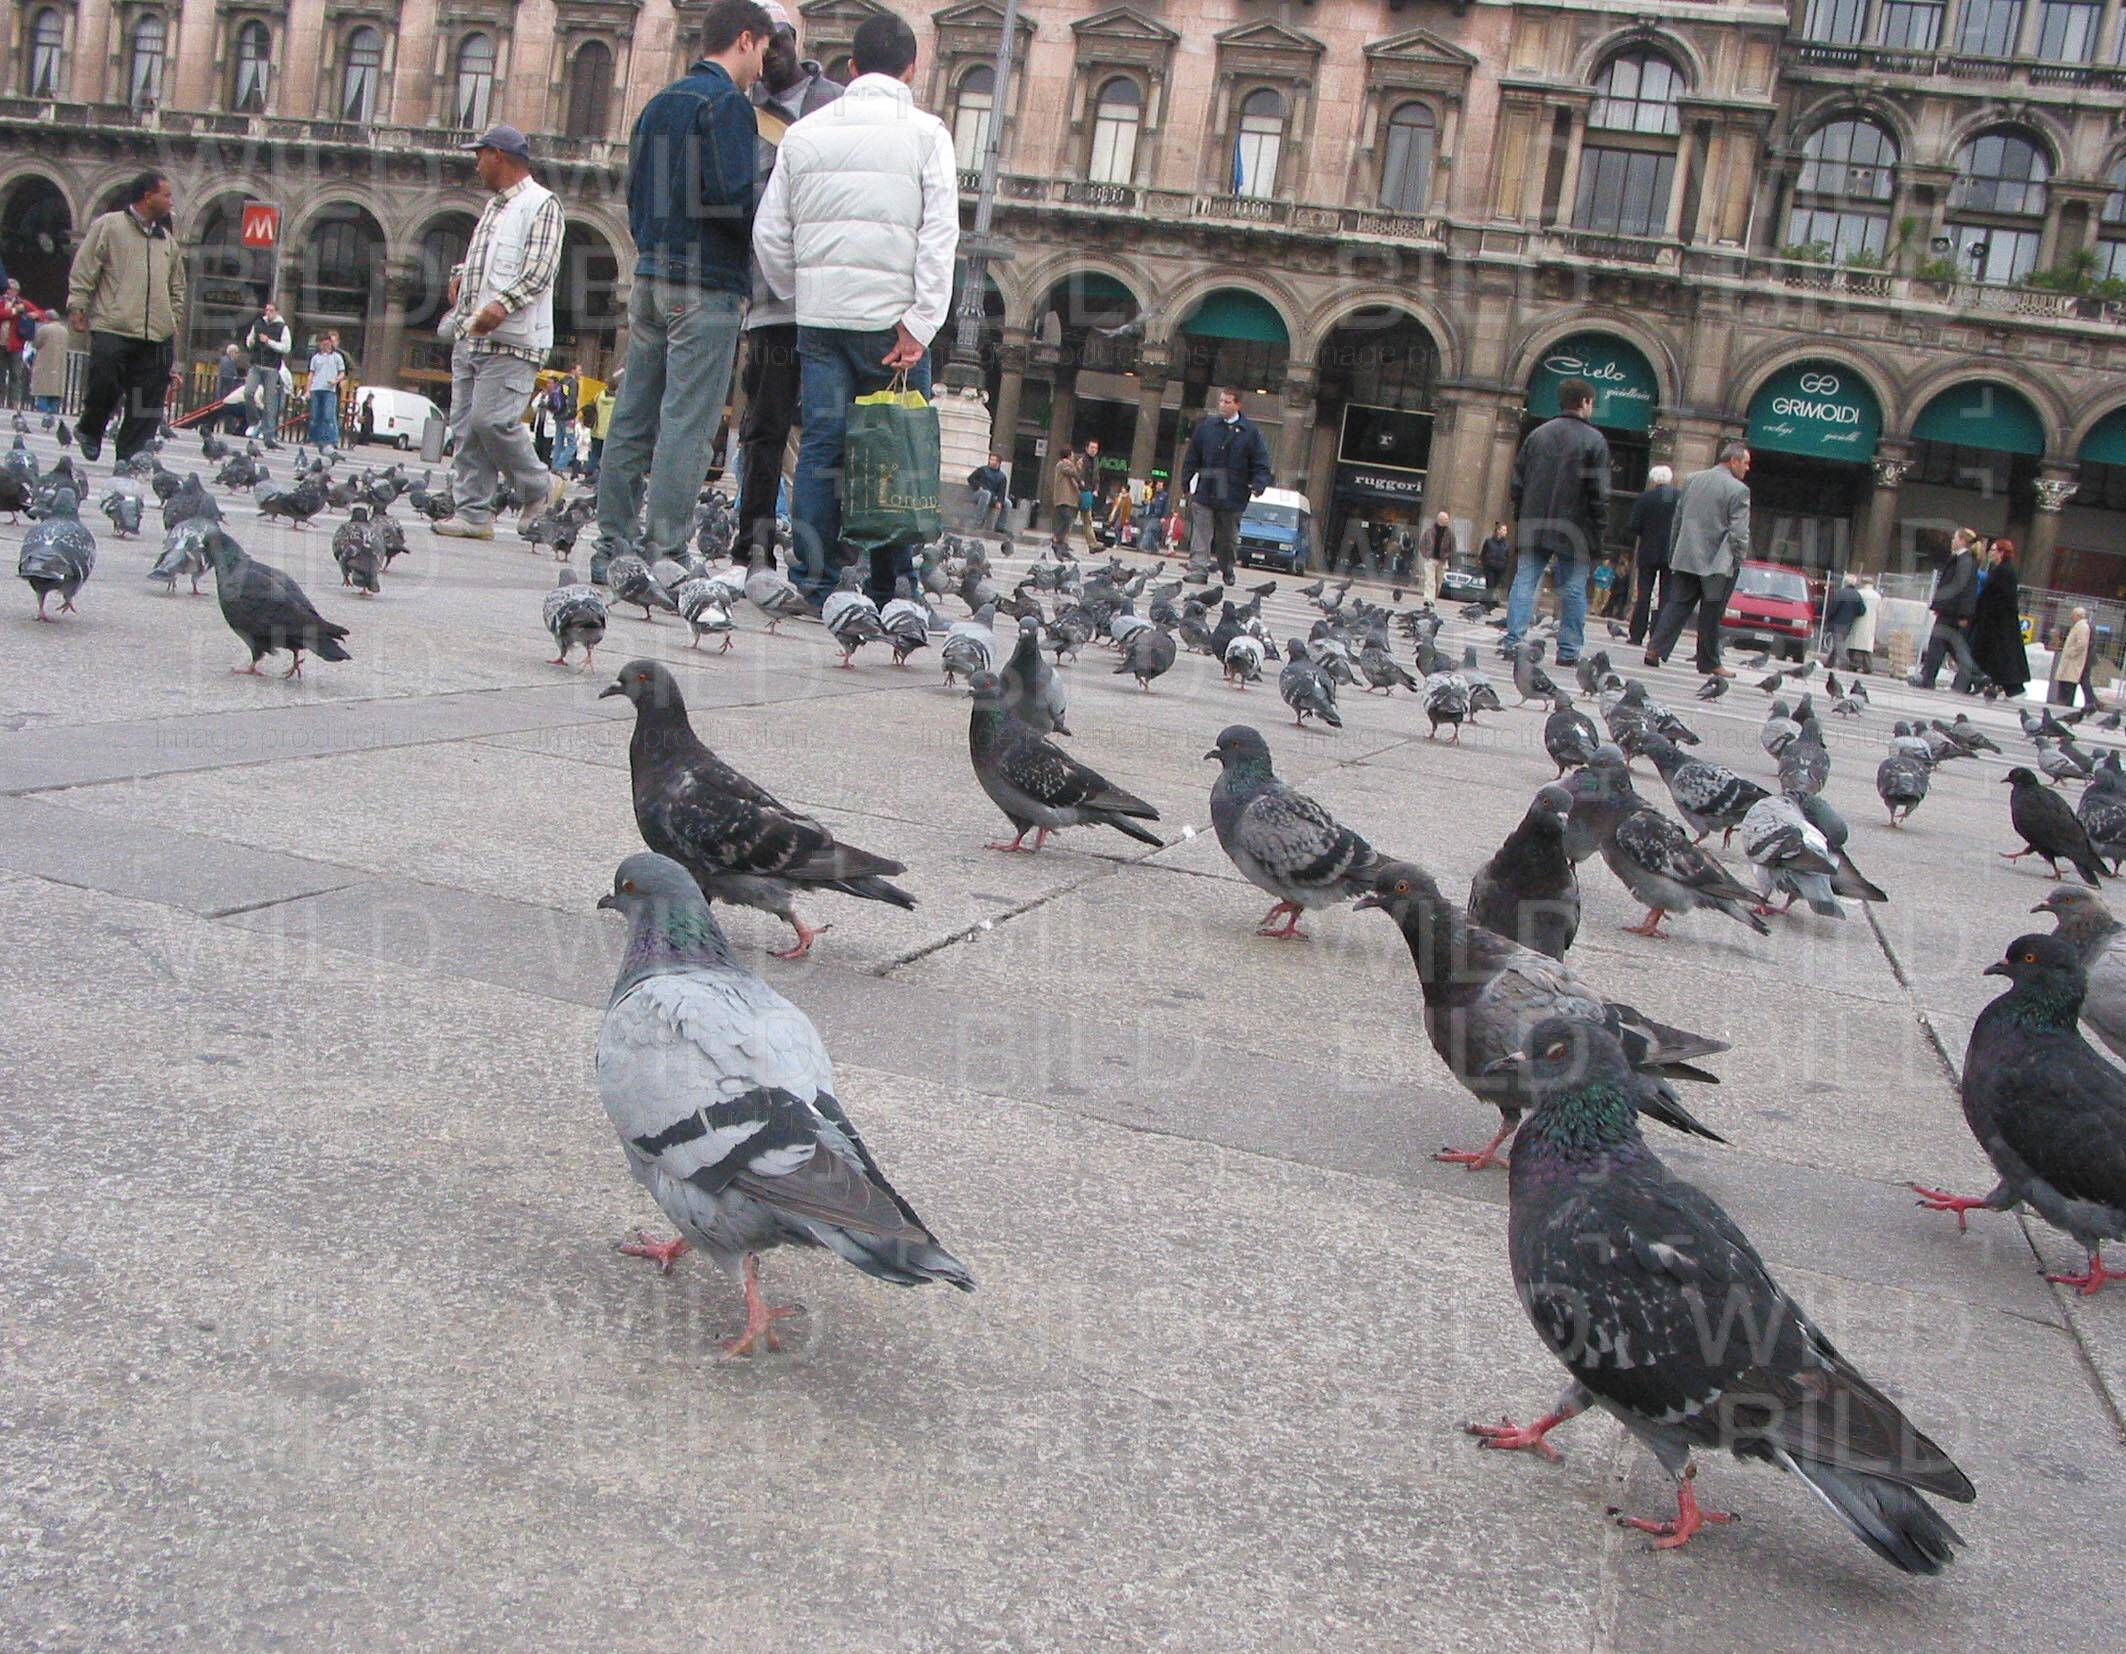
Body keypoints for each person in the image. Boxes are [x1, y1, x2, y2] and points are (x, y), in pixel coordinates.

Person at [756, 7, 958, 605]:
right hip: (892, 324)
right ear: (912, 68)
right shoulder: (928, 134)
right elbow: (940, 235)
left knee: (822, 443)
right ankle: (891, 586)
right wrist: (921, 322)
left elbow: (769, 232)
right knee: (894, 446)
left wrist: (801, 293)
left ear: (851, 67)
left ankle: (814, 582)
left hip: (822, 320)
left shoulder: (804, 132)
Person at [597, 3, 772, 568]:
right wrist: (764, 222)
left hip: (650, 274)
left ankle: (611, 546)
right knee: (687, 422)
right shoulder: (728, 105)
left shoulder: (659, 103)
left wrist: (653, 246)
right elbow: (729, 198)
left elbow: (634, 192)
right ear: (745, 40)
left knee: (632, 416)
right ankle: (665, 550)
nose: (763, 66)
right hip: (706, 284)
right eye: (764, 50)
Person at [735, 1, 843, 558]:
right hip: (770, 297)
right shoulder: (739, 109)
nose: (771, 52)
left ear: (795, 40)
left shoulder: (838, 105)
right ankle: (752, 544)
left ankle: (822, 552)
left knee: (831, 426)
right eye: (760, 42)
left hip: (833, 299)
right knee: (765, 425)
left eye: (779, 39)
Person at [430, 124, 569, 541]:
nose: (476, 165)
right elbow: (489, 259)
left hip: (512, 338)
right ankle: (473, 513)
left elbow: (540, 270)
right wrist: (460, 276)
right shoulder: (496, 206)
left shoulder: (542, 204)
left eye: (480, 156)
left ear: (499, 156)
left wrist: (501, 305)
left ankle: (539, 486)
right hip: (472, 333)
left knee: (492, 421)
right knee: (465, 427)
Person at [66, 170, 186, 464]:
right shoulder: (109, 226)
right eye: (166, 195)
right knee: (104, 382)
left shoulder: (166, 240)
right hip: (113, 325)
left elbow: (178, 286)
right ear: (148, 196)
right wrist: (78, 305)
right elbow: (85, 267)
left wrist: (172, 318)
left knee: (147, 404)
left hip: (157, 333)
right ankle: (91, 428)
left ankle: (128, 461)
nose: (171, 201)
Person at [1505, 377, 1610, 665]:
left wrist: (1522, 515)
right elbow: (1599, 494)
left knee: (1525, 581)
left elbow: (1517, 484)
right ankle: (1568, 650)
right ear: (1585, 403)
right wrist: (1599, 529)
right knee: (1574, 589)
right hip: (1575, 526)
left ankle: (1514, 641)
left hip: (1534, 522)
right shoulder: (1595, 441)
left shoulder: (1537, 435)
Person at [1646, 441, 1753, 677]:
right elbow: (1738, 531)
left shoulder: (1692, 479)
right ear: (1733, 461)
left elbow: (1678, 517)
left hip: (1687, 554)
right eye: (1745, 463)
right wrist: (1738, 558)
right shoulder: (1739, 490)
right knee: (1711, 611)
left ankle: (1655, 648)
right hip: (1718, 561)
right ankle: (1708, 661)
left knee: (1677, 604)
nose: (1747, 468)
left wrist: (1674, 551)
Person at [1180, 387, 1272, 585]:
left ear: (1237, 404)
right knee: (1201, 533)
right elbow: (1192, 456)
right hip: (1206, 490)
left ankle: (1227, 567)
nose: (1222, 405)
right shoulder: (1206, 427)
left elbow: (1261, 462)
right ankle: (1198, 569)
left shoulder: (1250, 432)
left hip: (1233, 494)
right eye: (1221, 401)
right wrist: (1186, 481)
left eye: (1227, 402)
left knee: (1227, 538)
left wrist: (1259, 484)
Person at [1911, 527, 1984, 691]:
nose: (1952, 541)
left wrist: (1964, 614)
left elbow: (1967, 589)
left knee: (1938, 644)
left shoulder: (1965, 561)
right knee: (1949, 646)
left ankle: (1928, 678)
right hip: (1950, 610)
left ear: (1962, 541)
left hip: (1953, 612)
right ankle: (1977, 676)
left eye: (1955, 538)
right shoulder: (1960, 559)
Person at [1968, 538, 2029, 700]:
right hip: (1997, 623)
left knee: (1998, 657)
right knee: (1995, 657)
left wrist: (1984, 613)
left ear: (2002, 553)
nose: (1990, 553)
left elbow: (1998, 597)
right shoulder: (2002, 570)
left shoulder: (2003, 572)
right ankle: (1990, 685)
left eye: (1993, 550)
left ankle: (2012, 689)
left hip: (1997, 624)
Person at [1626, 463, 1680, 645]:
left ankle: (1637, 634)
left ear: (1653, 480)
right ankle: (1658, 636)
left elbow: (1634, 525)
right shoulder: (1679, 497)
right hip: (1670, 552)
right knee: (1666, 596)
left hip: (1648, 550)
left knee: (1644, 593)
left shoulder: (1645, 497)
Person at [244, 301, 291, 444]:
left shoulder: (282, 327)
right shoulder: (258, 324)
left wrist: (269, 342)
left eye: (271, 310)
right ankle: (254, 421)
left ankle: (269, 433)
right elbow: (250, 339)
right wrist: (250, 342)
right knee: (248, 392)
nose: (268, 313)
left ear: (276, 312)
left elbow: (286, 347)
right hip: (257, 364)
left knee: (269, 402)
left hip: (271, 368)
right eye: (266, 310)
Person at [2052, 605, 2097, 708]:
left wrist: (2071, 652)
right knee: (2077, 680)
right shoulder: (2078, 626)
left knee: (2071, 680)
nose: (2071, 617)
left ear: (2078, 616)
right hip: (2073, 660)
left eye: (2073, 615)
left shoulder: (2082, 627)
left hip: (2074, 660)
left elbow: (2082, 643)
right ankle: (2092, 702)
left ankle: (2069, 702)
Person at [306, 331, 346, 446]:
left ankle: (331, 440)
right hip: (316, 388)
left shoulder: (337, 357)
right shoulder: (315, 358)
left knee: (328, 416)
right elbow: (311, 374)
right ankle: (315, 438)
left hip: (329, 390)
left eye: (327, 344)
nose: (325, 346)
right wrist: (307, 390)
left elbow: (342, 373)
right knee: (315, 416)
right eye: (322, 344)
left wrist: (336, 381)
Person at [29, 310, 71, 414]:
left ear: (47, 318)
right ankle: (53, 412)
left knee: (43, 390)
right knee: (55, 391)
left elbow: (36, 343)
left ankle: (42, 412)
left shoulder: (45, 329)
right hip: (59, 364)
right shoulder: (65, 330)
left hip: (44, 363)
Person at [1822, 572, 1865, 670]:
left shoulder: (1840, 593)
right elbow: (1862, 611)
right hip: (1848, 624)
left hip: (1837, 622)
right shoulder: (1857, 595)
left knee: (1838, 644)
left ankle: (1844, 662)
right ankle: (1830, 662)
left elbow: (1832, 608)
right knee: (1838, 643)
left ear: (1845, 582)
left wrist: (1828, 618)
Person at [0, 279, 31, 407]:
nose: (8, 292)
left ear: (16, 291)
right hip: (1, 344)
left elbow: (40, 314)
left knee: (15, 375)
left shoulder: (22, 303)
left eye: (11, 289)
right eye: (7, 289)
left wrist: (32, 314)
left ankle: (14, 403)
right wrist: (13, 311)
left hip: (15, 345)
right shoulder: (1, 302)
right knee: (0, 374)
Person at [966, 450, 1009, 534]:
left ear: (998, 462)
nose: (991, 461)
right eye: (990, 459)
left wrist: (999, 501)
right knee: (986, 493)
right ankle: (978, 522)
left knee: (1008, 503)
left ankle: (1000, 527)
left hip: (993, 496)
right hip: (979, 494)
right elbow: (971, 479)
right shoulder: (982, 470)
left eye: (993, 460)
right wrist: (979, 486)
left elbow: (1002, 491)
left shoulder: (1002, 476)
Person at [1049, 446, 1082, 552]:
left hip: (1069, 499)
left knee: (1067, 520)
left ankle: (1062, 542)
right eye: (1072, 454)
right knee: (1066, 519)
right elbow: (1072, 473)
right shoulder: (1063, 464)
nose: (1073, 456)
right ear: (1068, 455)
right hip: (1063, 498)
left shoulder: (1067, 465)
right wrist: (1077, 467)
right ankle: (1056, 537)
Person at [1417, 511, 1454, 604]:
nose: (1447, 521)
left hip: (1442, 560)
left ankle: (1433, 598)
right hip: (1431, 559)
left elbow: (1453, 548)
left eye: (1447, 519)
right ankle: (1428, 599)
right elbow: (1422, 544)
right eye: (1445, 519)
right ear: (1439, 519)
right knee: (1430, 580)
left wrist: (1447, 556)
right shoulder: (1429, 531)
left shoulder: (1450, 533)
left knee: (1438, 582)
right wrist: (1426, 555)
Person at [585, 375, 617, 483]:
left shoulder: (598, 395)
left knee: (594, 453)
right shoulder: (618, 400)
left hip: (596, 430)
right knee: (606, 457)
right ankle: (600, 478)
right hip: (609, 433)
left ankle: (589, 472)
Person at [1848, 574, 1880, 673]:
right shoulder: (1877, 596)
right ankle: (1868, 667)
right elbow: (1879, 611)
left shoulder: (1859, 593)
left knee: (1855, 644)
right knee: (1867, 646)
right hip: (1871, 623)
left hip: (1858, 621)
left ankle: (1854, 664)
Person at [1478, 519, 1512, 608]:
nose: (1505, 532)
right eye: (1503, 530)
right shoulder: (1489, 541)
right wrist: (1483, 563)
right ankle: (1488, 606)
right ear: (1498, 530)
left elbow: (1507, 556)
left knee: (1493, 587)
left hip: (1500, 568)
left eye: (1506, 530)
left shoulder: (1506, 544)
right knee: (1490, 586)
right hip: (1490, 567)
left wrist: (1505, 566)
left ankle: (1484, 603)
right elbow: (1483, 553)